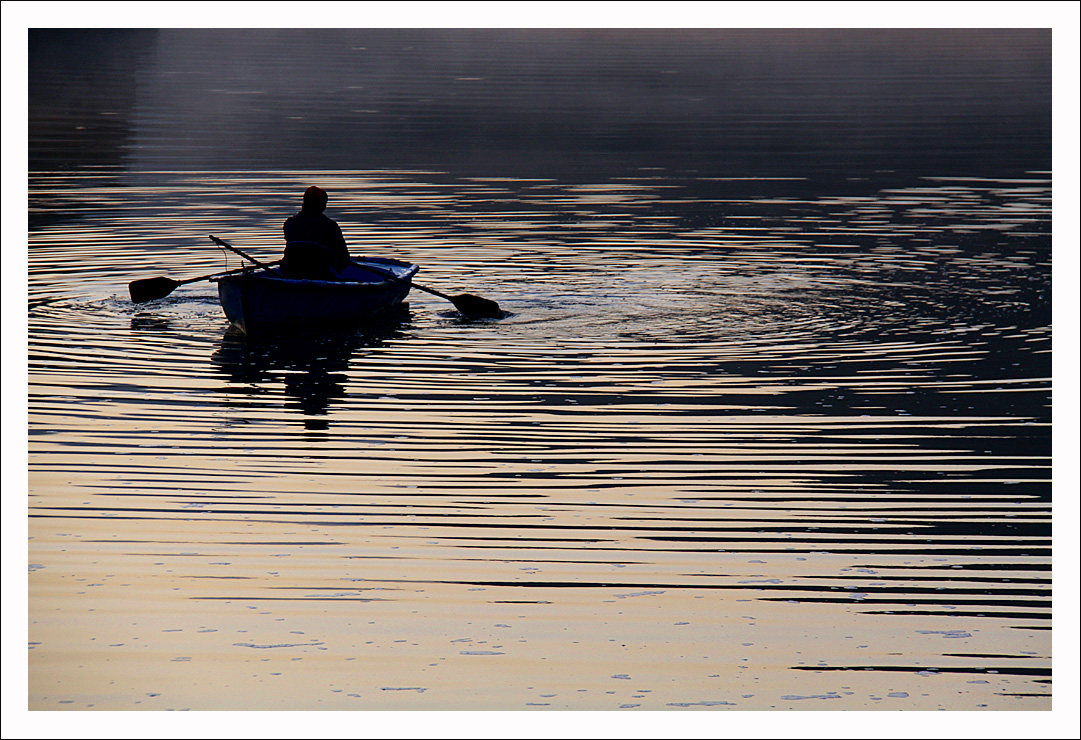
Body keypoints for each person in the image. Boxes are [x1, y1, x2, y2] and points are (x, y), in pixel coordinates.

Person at [281, 185, 351, 279]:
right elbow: (343, 261)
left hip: (289, 273)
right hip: (318, 275)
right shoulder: (330, 226)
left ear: (304, 203)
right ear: (322, 205)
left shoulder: (289, 223)